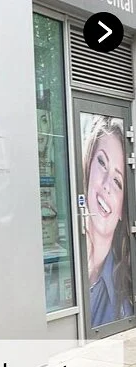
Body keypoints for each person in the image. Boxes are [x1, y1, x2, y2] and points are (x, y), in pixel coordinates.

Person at [83, 115, 133, 328]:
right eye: (102, 162)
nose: (106, 185)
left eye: (117, 181)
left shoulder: (124, 298)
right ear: (87, 167)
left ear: (122, 209)